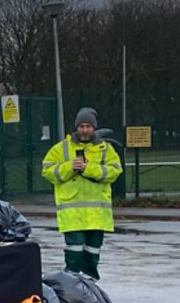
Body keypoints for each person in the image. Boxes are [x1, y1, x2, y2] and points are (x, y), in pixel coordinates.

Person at [41, 107, 122, 280]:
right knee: (74, 251)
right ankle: (70, 282)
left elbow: (115, 172)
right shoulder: (60, 149)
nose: (85, 130)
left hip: (97, 214)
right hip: (72, 213)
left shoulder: (105, 149)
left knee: (93, 252)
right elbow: (47, 171)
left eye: (88, 126)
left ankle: (90, 283)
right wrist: (69, 167)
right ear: (76, 127)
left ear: (94, 128)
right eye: (81, 126)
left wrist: (88, 169)